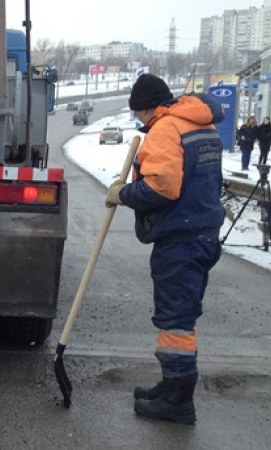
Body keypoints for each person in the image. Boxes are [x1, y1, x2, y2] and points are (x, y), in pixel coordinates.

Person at [106, 73, 224, 425]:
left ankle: (178, 400)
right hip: (202, 231)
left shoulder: (165, 129)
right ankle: (171, 385)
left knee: (175, 320)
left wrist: (123, 193)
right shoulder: (202, 126)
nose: (139, 122)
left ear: (147, 108)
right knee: (181, 315)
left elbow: (162, 188)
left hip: (180, 238)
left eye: (138, 114)